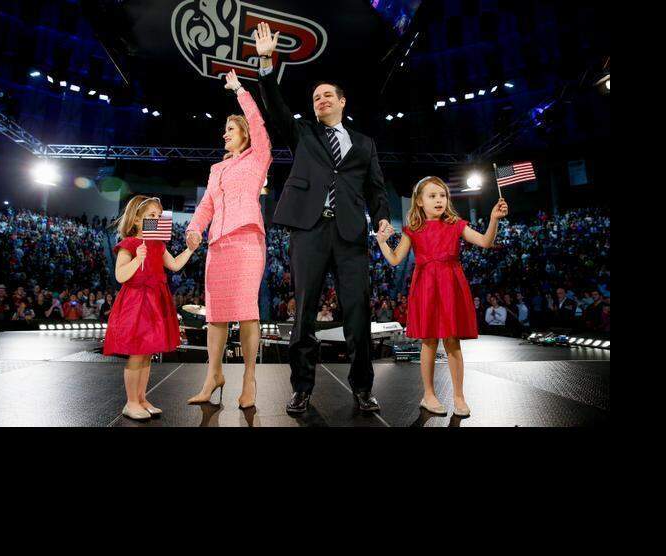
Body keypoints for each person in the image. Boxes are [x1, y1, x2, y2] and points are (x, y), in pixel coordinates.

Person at [254, 22, 389, 415]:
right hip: (309, 233)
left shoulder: (364, 144)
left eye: (328, 95)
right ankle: (301, 388)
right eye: (316, 97)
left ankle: (362, 388)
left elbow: (376, 190)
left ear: (343, 102)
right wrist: (266, 62)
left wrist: (381, 218)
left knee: (358, 314)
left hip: (350, 236)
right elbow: (276, 106)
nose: (321, 100)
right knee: (304, 316)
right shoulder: (303, 134)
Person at [376, 176, 508, 417]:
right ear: (419, 202)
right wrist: (383, 243)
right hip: (425, 286)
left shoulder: (456, 224)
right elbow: (395, 259)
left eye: (443, 195)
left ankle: (459, 396)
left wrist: (493, 220)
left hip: (451, 284)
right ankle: (428, 395)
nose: (439, 200)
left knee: (452, 341)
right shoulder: (412, 230)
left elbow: (486, 242)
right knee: (428, 341)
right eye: (432, 196)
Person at [184, 70, 272, 410]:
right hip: (217, 244)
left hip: (248, 241)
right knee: (216, 314)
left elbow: (259, 124)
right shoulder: (216, 170)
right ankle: (214, 375)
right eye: (224, 131)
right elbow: (206, 204)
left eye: (231, 130)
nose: (225, 134)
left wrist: (239, 91)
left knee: (248, 312)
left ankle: (249, 378)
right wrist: (195, 228)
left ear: (245, 135)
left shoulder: (258, 155)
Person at [103, 195, 196, 421]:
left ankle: (142, 398)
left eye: (158, 215)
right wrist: (137, 259)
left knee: (146, 355)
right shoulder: (130, 244)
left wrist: (190, 250)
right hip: (136, 303)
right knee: (136, 354)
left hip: (156, 301)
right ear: (136, 220)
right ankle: (131, 402)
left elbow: (173, 265)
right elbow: (120, 275)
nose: (156, 218)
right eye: (151, 215)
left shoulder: (157, 244)